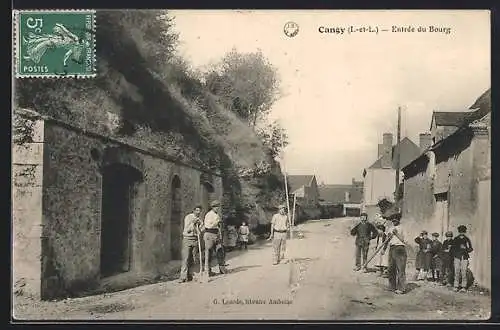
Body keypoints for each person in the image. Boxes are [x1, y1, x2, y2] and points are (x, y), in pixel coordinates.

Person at [383, 215, 408, 294]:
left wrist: (397, 234)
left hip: (400, 249)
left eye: (395, 221)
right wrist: (384, 249)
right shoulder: (390, 228)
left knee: (400, 269)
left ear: (398, 220)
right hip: (392, 248)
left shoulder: (402, 228)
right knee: (390, 268)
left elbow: (405, 241)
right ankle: (392, 286)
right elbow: (387, 240)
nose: (394, 222)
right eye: (393, 221)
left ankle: (401, 288)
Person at [179, 205, 203, 283]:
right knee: (185, 258)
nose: (198, 212)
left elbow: (201, 230)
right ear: (193, 210)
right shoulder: (188, 217)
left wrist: (199, 226)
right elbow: (187, 229)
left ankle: (192, 275)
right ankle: (183, 276)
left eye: (199, 211)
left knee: (193, 258)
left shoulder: (200, 219)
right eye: (197, 210)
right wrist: (193, 224)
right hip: (187, 238)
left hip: (195, 239)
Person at [203, 200, 227, 276]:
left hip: (216, 234)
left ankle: (222, 269)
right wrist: (216, 222)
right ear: (212, 207)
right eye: (215, 207)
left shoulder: (217, 215)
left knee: (220, 251)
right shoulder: (209, 215)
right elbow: (208, 226)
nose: (217, 208)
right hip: (209, 234)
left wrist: (219, 234)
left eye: (217, 207)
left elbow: (218, 226)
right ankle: (207, 270)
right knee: (208, 252)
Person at [451, 225, 473, 292]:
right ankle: (456, 286)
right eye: (460, 232)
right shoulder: (455, 239)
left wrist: (465, 249)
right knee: (456, 271)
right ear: (459, 232)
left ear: (465, 232)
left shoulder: (467, 239)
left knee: (464, 272)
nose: (462, 233)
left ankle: (463, 287)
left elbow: (471, 249)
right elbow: (452, 249)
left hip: (465, 258)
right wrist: (455, 254)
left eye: (463, 232)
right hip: (457, 257)